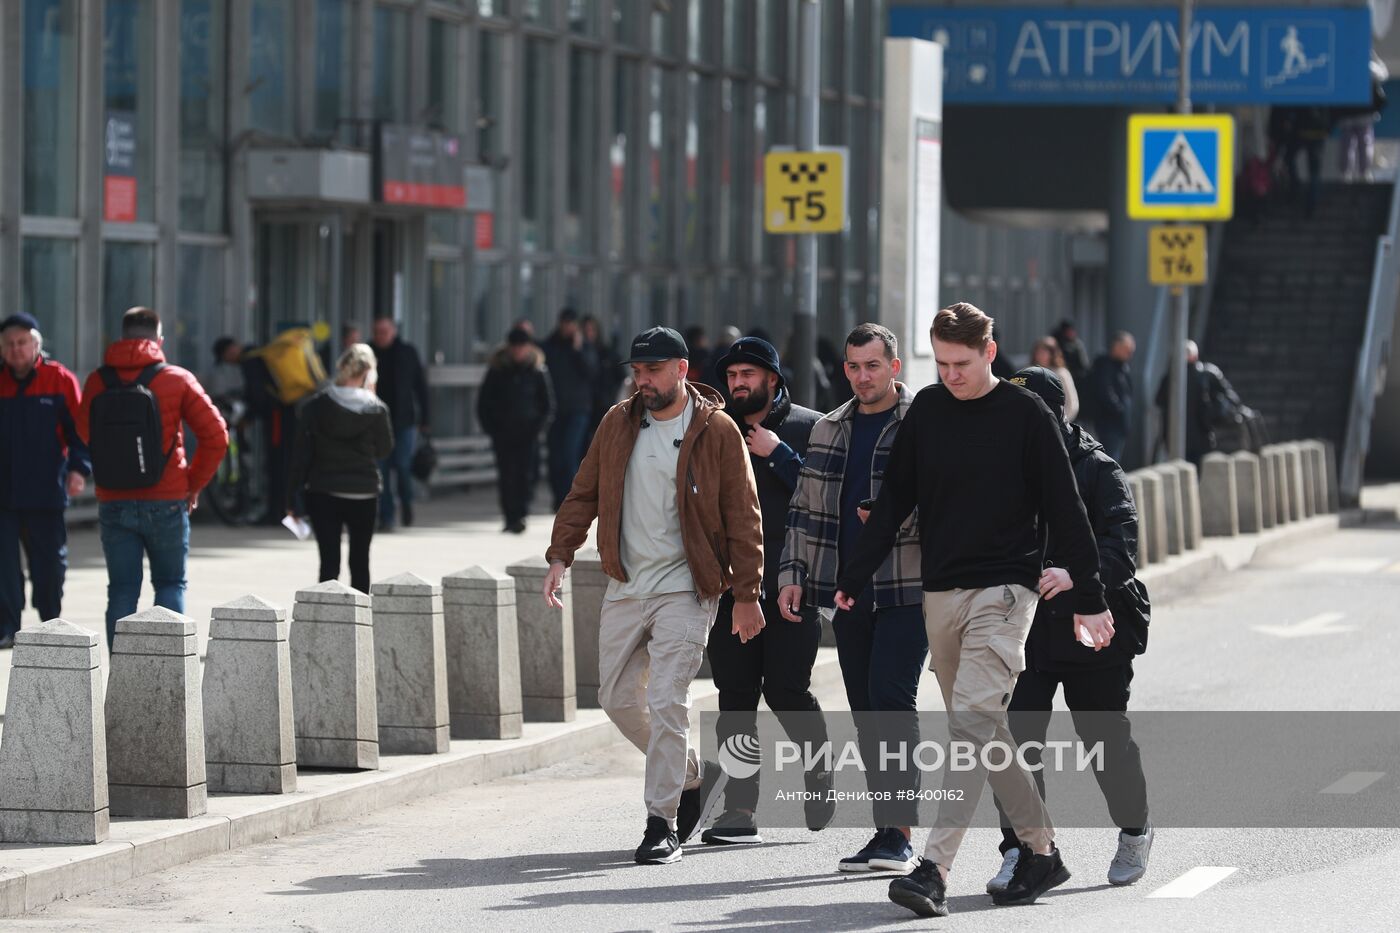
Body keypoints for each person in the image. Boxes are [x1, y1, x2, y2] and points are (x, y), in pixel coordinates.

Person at [834, 302, 1114, 919]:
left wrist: (1088, 599)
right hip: (942, 593)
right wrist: (855, 575)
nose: (951, 375)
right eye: (941, 363)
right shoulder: (930, 410)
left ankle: (932, 869)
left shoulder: (1026, 415)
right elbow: (896, 499)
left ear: (990, 353)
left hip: (1006, 593)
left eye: (962, 363)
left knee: (968, 728)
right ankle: (1041, 853)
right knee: (987, 733)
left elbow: (1067, 509)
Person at [542, 326, 764, 865]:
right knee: (616, 700)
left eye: (654, 370)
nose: (643, 380)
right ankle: (693, 773)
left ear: (682, 369)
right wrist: (560, 554)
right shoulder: (617, 424)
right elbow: (584, 491)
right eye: (637, 372)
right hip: (625, 583)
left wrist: (747, 592)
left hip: (688, 588)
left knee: (667, 700)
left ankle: (660, 823)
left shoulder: (716, 430)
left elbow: (744, 513)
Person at [988, 366, 1153, 892]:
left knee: (1103, 740)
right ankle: (1023, 850)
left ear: (1054, 413)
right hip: (1026, 631)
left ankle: (1134, 828)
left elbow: (1122, 547)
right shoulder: (999, 467)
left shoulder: (1098, 468)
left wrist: (1074, 573)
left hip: (1092, 626)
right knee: (1015, 745)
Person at [777, 323, 926, 873]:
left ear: (895, 366)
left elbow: (948, 501)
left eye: (873, 365)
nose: (864, 377)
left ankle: (901, 833)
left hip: (907, 585)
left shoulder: (923, 422)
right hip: (848, 592)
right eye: (854, 367)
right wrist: (792, 571)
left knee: (891, 700)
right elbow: (804, 509)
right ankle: (885, 830)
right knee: (866, 710)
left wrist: (896, 521)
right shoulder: (829, 428)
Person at [699, 336, 833, 846]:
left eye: (748, 375)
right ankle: (740, 807)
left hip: (792, 587)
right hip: (732, 590)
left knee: (786, 692)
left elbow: (826, 502)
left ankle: (819, 773)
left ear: (772, 380)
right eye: (731, 376)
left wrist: (780, 456)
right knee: (735, 697)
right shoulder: (713, 430)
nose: (738, 384)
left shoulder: (811, 427)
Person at [77, 307, 228, 646]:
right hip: (167, 499)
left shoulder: (97, 381)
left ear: (122, 336)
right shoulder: (177, 378)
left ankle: (123, 681)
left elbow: (84, 433)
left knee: (122, 590)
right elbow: (216, 435)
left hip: (114, 500)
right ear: (159, 339)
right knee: (170, 585)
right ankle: (168, 673)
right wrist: (192, 483)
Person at [0, 313, 90, 649]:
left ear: (36, 344)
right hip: (4, 496)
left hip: (46, 490)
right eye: (9, 344)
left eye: (22, 342)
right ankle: (8, 626)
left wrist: (79, 470)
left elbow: (80, 434)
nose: (16, 349)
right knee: (4, 568)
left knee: (49, 566)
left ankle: (50, 621)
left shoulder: (59, 380)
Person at [286, 344, 393, 594]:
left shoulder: (316, 406)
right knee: (360, 562)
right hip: (363, 491)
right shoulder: (376, 409)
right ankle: (361, 621)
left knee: (328, 564)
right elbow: (384, 449)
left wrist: (291, 496)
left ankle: (327, 621)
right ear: (368, 372)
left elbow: (300, 455)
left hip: (323, 489)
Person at [477, 326, 554, 534]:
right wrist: (491, 428)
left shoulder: (537, 371)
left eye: (522, 347)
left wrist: (538, 428)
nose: (519, 351)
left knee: (526, 474)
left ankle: (521, 513)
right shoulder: (497, 371)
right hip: (503, 432)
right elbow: (484, 402)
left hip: (528, 433)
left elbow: (547, 404)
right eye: (515, 347)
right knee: (506, 475)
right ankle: (509, 516)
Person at [371, 317, 429, 530]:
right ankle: (387, 517)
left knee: (404, 466)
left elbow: (421, 386)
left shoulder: (407, 352)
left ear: (393, 332)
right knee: (382, 471)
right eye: (377, 332)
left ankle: (406, 502)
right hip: (378, 423)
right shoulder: (369, 353)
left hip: (405, 421)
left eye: (384, 332)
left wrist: (426, 420)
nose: (380, 336)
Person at [541, 308, 597, 510]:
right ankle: (558, 498)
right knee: (555, 457)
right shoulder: (549, 346)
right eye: (564, 323)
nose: (567, 327)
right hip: (554, 410)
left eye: (571, 323)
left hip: (578, 410)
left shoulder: (584, 347)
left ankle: (569, 500)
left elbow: (591, 372)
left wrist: (578, 350)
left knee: (570, 454)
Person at [1154, 340, 1245, 466]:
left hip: (1176, 435)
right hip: (1202, 433)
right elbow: (1230, 396)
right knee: (1198, 469)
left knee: (1180, 469)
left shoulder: (1171, 377)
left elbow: (1159, 401)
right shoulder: (1207, 373)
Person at [1083, 331, 1136, 462]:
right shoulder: (1105, 365)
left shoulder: (1122, 367)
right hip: (1108, 422)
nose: (1130, 354)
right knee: (1109, 460)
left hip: (1119, 423)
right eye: (1127, 350)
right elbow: (1104, 391)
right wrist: (1118, 409)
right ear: (1116, 347)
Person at [582, 314, 622, 440]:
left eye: (591, 330)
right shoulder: (577, 353)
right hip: (584, 407)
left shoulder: (607, 353)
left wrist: (611, 394)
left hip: (604, 405)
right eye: (585, 331)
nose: (589, 334)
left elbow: (620, 376)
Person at [1030, 336, 1079, 422]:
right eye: (1038, 351)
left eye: (1044, 352)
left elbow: (1072, 403)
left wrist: (1061, 422)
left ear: (1053, 354)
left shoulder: (1061, 374)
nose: (1041, 355)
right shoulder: (1029, 372)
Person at [1051, 320, 1091, 387]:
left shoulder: (1076, 344)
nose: (1071, 333)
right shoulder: (1055, 342)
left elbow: (1084, 364)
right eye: (1068, 331)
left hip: (1075, 377)